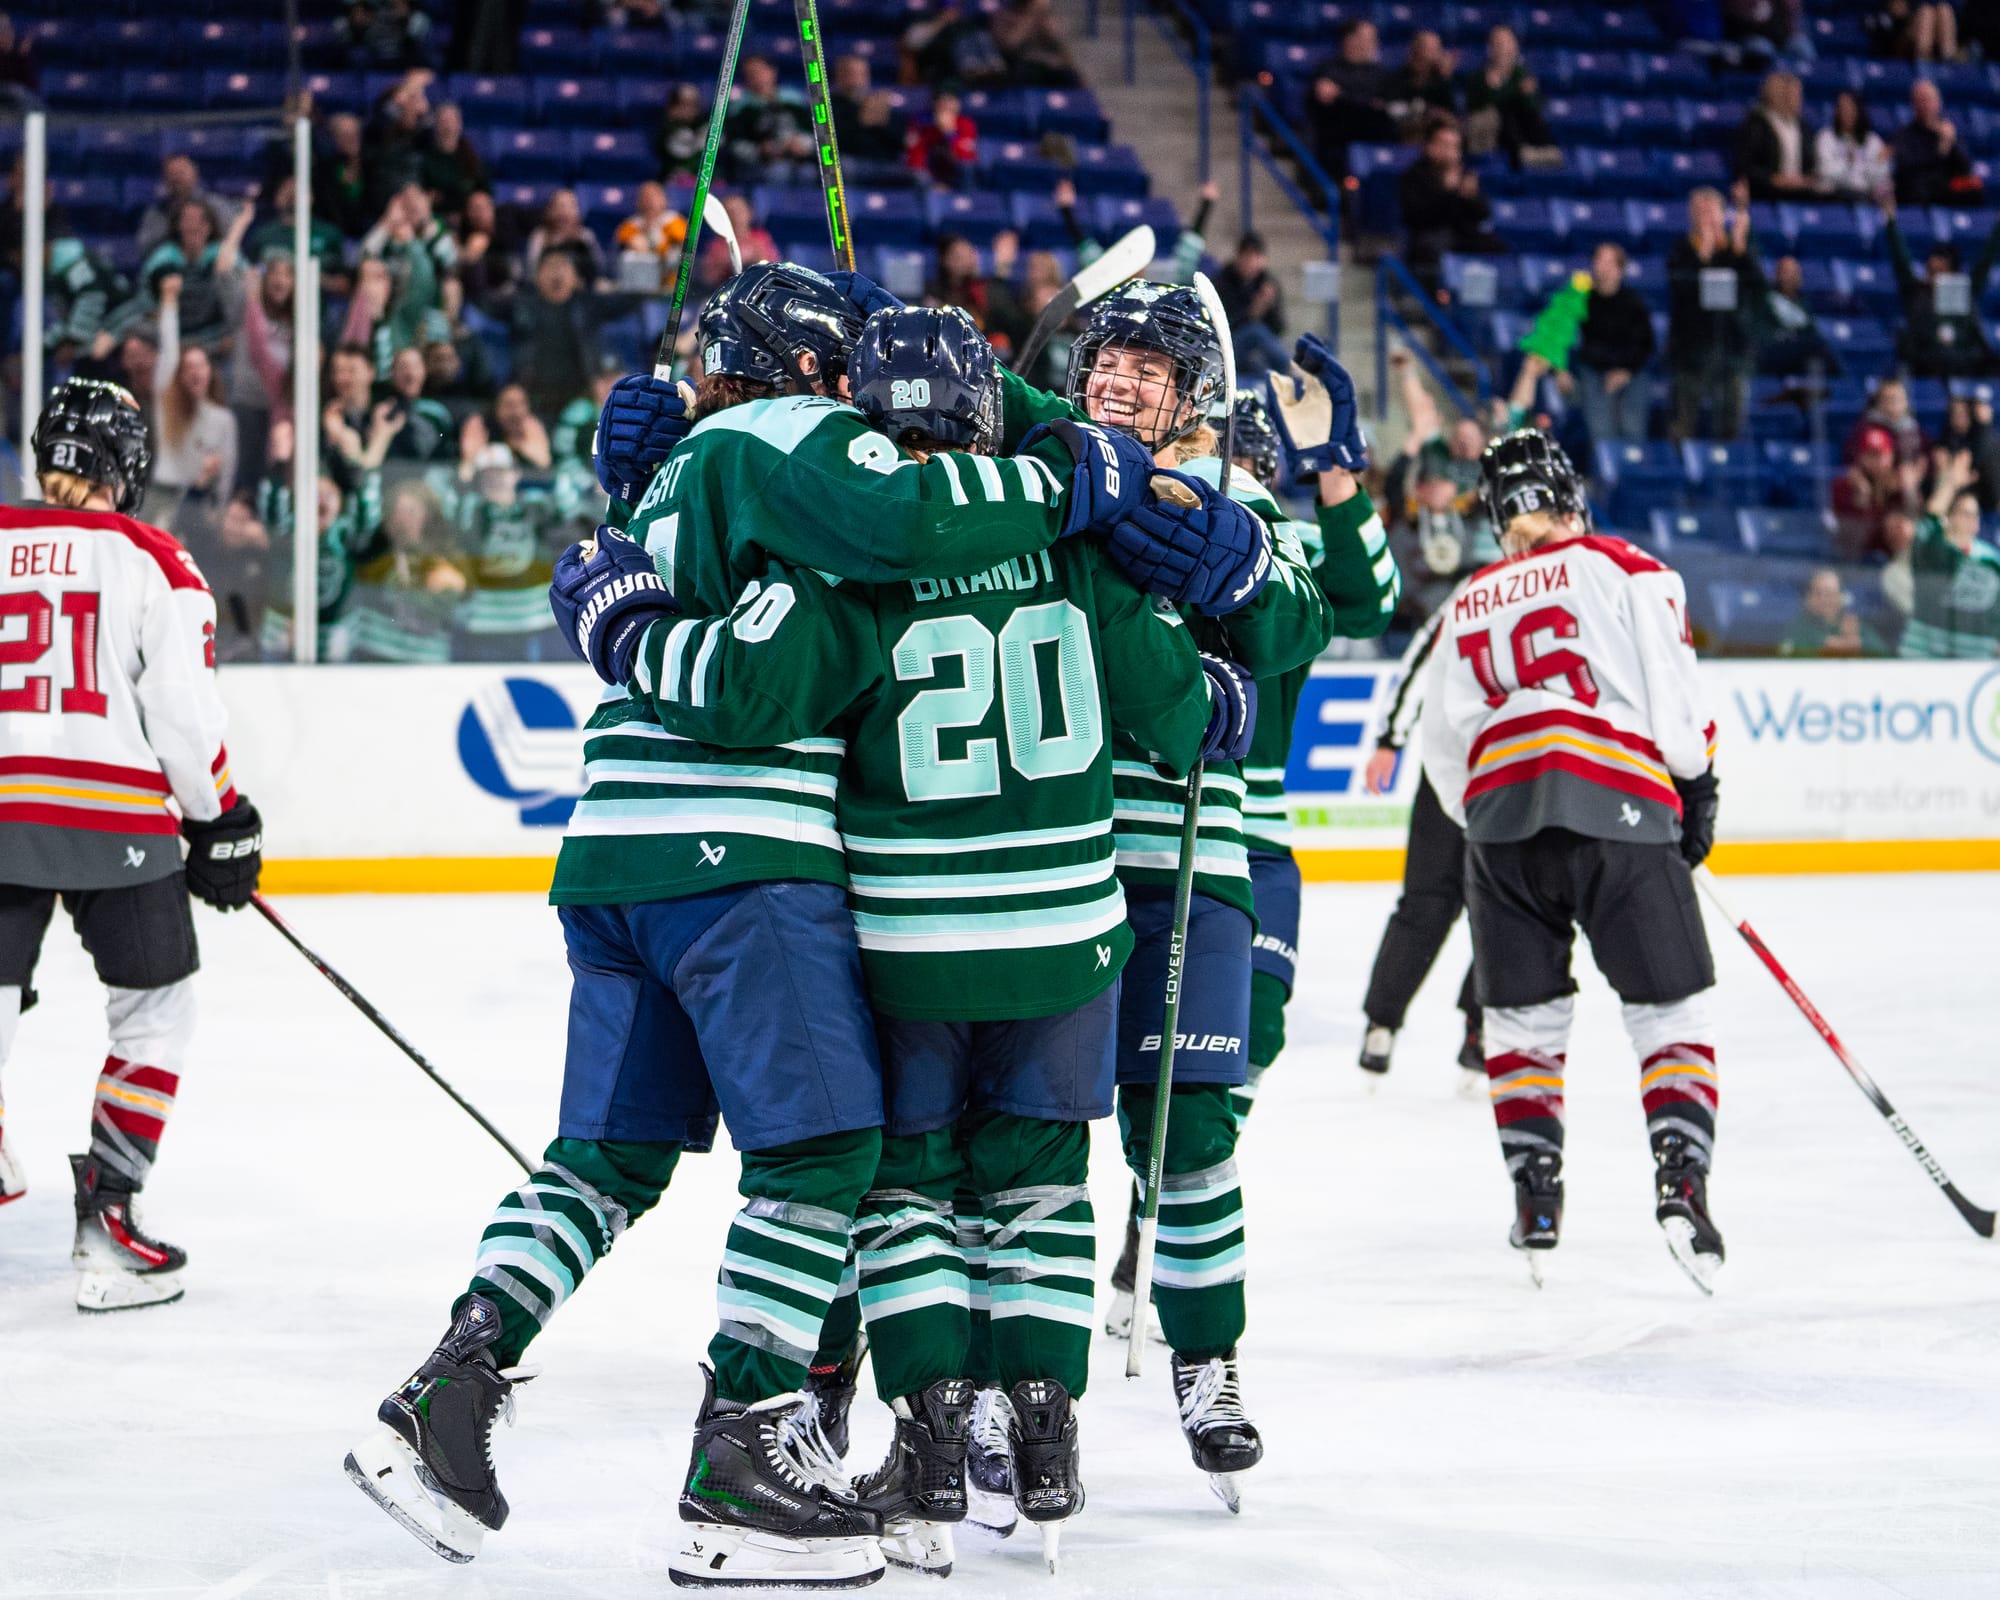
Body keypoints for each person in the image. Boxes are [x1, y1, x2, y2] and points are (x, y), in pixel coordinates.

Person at [342, 260, 1165, 1584]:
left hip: (616, 859)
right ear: (813, 376)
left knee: (604, 1160)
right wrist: (1083, 476)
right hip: (738, 863)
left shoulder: (677, 470)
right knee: (830, 1147)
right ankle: (745, 1457)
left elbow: (704, 622)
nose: (857, 405)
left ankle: (450, 1386)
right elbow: (856, 569)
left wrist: (621, 629)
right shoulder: (792, 435)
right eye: (843, 383)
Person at [639, 304, 1238, 1574]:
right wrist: (1217, 698)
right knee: (1038, 1184)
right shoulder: (1072, 541)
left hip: (912, 941)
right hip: (1067, 935)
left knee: (906, 1189)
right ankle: (1046, 1426)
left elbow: (783, 702)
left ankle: (923, 1443)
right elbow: (1174, 716)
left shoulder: (860, 551)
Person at [1003, 281, 1347, 1510]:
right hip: (1054, 861)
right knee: (1032, 1144)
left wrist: (1240, 571)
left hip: (1195, 871)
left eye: (1152, 367)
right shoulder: (1053, 475)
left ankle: (1208, 1365)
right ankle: (1022, 1391)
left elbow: (1307, 622)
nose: (1121, 380)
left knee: (1188, 1137)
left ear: (1196, 396)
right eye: (1111, 359)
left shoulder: (1242, 497)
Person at [1420, 430, 1725, 1292]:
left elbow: (1445, 754)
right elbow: (1675, 695)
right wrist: (1693, 791)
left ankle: (1535, 1196)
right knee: (1669, 1013)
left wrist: (1492, 820)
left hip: (1499, 827)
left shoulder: (1467, 601)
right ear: (1570, 500)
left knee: (1520, 1027)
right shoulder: (1626, 566)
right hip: (1616, 806)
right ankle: (1681, 1183)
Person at [0, 378, 263, 1310]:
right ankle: (107, 1230)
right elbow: (184, 719)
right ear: (129, 468)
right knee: (156, 1011)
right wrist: (220, 818)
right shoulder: (155, 558)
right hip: (114, 815)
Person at [1355, 594, 1484, 1089]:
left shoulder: (1487, 587)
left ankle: (1476, 1026)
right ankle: (1384, 1024)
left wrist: (1392, 738)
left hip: (1502, 772)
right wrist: (1390, 739)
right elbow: (1424, 657)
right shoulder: (1479, 590)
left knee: (1495, 907)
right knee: (1437, 905)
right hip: (1477, 771)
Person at [1667, 184, 1756, 441]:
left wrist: (1740, 246)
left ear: (1722, 214)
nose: (1705, 218)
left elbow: (1755, 288)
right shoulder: (1682, 250)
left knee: (1730, 423)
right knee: (1683, 423)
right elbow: (1681, 293)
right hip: (1690, 353)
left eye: (1711, 211)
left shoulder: (1734, 251)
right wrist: (1702, 256)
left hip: (1729, 352)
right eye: (1699, 211)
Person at [1882, 196, 2000, 380]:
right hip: (1924, 370)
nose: (1935, 277)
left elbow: (1985, 263)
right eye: (1931, 270)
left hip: (1964, 369)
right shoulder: (1917, 294)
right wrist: (1890, 222)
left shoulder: (1962, 294)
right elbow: (1901, 261)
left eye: (1941, 271)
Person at [1900, 456, 2000, 658]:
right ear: (1949, 517)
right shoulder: (1933, 549)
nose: (1971, 520)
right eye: (1964, 513)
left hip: (1975, 657)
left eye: (1975, 515)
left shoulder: (1992, 560)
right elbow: (1930, 520)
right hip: (1924, 655)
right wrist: (1950, 484)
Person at [1398, 114, 1502, 282]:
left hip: (1462, 234)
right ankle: (1438, 302)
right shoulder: (1414, 175)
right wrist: (1450, 192)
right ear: (1430, 147)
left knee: (1495, 247)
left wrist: (1471, 197)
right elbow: (1416, 216)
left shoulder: (1463, 174)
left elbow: (1483, 213)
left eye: (1455, 147)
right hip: (1430, 236)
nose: (1451, 152)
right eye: (1445, 145)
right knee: (1433, 249)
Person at [1571, 242, 1656, 445]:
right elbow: (1572, 342)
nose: (1604, 267)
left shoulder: (1634, 302)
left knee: (1633, 425)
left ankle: (1632, 465)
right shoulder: (1581, 300)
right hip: (1594, 371)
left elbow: (1645, 345)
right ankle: (1604, 463)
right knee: (1601, 427)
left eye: (1611, 262)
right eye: (1600, 260)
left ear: (1621, 269)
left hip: (1630, 372)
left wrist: (1624, 371)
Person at [1307, 19, 1398, 181]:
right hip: (1338, 141)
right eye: (1369, 38)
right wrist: (1367, 104)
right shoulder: (1328, 69)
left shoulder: (1381, 74)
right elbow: (1324, 101)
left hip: (1377, 139)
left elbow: (1387, 107)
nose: (1375, 43)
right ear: (1350, 39)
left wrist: (1342, 96)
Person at [1457, 26, 1555, 165]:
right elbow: (1476, 107)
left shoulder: (1521, 73)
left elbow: (1535, 104)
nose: (1503, 48)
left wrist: (1525, 94)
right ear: (1490, 48)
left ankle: (1545, 151)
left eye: (1507, 42)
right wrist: (1514, 92)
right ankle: (1518, 155)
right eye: (1498, 43)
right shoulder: (1478, 76)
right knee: (1502, 114)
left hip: (1521, 127)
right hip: (1489, 130)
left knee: (1527, 115)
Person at [1832, 422, 1923, 558]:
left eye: (1882, 454)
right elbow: (1852, 535)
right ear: (1861, 457)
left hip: (1896, 557)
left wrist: (1910, 491)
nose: (1877, 461)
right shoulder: (1844, 485)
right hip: (1858, 558)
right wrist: (1863, 498)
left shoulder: (1900, 483)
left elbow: (1916, 520)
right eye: (1871, 455)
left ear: (1891, 455)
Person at [722, 54, 812, 186]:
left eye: (759, 71)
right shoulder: (739, 106)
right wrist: (758, 151)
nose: (755, 76)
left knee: (809, 173)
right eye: (749, 73)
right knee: (779, 171)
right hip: (760, 164)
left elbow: (813, 131)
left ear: (773, 71)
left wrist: (803, 144)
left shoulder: (794, 98)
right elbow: (734, 144)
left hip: (799, 158)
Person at [1733, 71, 1819, 201]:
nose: (1800, 98)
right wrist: (1774, 179)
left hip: (1801, 192)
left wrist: (1808, 178)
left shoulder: (1802, 125)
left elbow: (1811, 159)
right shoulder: (1756, 124)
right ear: (1780, 94)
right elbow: (1744, 166)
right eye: (1795, 94)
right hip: (1766, 193)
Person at [1751, 255, 1840, 378]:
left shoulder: (1802, 302)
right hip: (1772, 350)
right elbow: (1761, 330)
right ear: (1777, 275)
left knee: (1820, 351)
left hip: (1797, 351)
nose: (1791, 276)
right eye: (1786, 272)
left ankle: (1840, 389)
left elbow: (1811, 331)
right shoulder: (1766, 299)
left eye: (1795, 272)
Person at [1214, 233, 1289, 378]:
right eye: (1247, 257)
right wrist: (1255, 308)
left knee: (1262, 373)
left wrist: (1270, 306)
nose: (1251, 262)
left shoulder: (1268, 284)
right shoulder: (1222, 282)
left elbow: (1278, 329)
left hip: (1254, 354)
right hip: (1227, 348)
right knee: (1256, 331)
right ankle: (1289, 368)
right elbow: (1227, 325)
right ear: (1238, 257)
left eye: (1256, 257)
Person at [1892, 82, 1975, 208]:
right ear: (1914, 105)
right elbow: (1908, 166)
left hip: (1946, 186)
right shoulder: (1904, 135)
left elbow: (1965, 168)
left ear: (1939, 102)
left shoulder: (1947, 131)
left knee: (1974, 189)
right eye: (1921, 100)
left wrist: (1949, 143)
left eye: (1929, 100)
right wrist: (1939, 152)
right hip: (1919, 188)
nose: (1926, 105)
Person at [1780, 567, 1890, 658]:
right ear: (1808, 598)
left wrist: (1858, 641)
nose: (1824, 599)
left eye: (1830, 594)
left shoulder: (1853, 624)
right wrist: (1845, 645)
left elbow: (1882, 653)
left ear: (1841, 597)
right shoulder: (1798, 626)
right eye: (1818, 593)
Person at [1815, 92, 1892, 201]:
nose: (1845, 112)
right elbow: (1826, 172)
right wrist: (1848, 163)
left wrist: (1878, 164)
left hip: (1866, 196)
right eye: (1841, 108)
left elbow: (1880, 177)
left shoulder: (1872, 140)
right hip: (1834, 196)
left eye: (1850, 108)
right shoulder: (1826, 137)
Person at [613, 180, 687, 291]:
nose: (649, 201)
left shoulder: (675, 223)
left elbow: (683, 255)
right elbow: (621, 253)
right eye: (645, 196)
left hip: (670, 288)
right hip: (636, 288)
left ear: (664, 199)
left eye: (654, 196)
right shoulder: (629, 226)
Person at [524, 188, 605, 288]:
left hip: (581, 293)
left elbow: (598, 269)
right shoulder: (539, 237)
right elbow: (531, 274)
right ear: (550, 211)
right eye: (559, 206)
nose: (564, 211)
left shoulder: (586, 236)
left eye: (570, 206)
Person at [420, 100, 486, 222]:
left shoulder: (470, 157)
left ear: (459, 124)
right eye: (443, 121)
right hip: (434, 218)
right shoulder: (425, 158)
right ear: (436, 124)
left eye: (452, 121)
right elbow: (425, 196)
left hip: (466, 218)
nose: (448, 126)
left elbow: (484, 192)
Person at [905, 90, 979, 187]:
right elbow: (915, 157)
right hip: (929, 175)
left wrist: (949, 132)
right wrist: (935, 184)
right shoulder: (920, 123)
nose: (946, 107)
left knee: (967, 169)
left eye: (950, 102)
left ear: (957, 104)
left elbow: (965, 157)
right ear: (935, 104)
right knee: (920, 177)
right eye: (942, 102)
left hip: (956, 174)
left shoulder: (966, 124)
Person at [1868, 0, 1958, 62]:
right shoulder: (1881, 14)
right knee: (1926, 13)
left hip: (1928, 44)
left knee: (1944, 9)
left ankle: (1948, 61)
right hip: (1899, 50)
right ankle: (1923, 62)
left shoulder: (1913, 7)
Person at [655, 82, 707, 182]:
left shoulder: (705, 126)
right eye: (683, 104)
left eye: (694, 104)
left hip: (703, 181)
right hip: (673, 182)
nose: (689, 109)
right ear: (672, 107)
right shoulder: (664, 129)